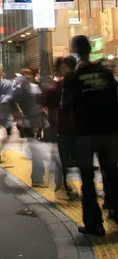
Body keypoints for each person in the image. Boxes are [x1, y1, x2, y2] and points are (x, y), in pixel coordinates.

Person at [61, 35, 118, 236]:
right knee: (112, 173)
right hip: (109, 131)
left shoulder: (73, 77)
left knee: (87, 178)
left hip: (85, 132)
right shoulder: (106, 73)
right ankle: (115, 210)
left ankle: (94, 224)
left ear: (75, 50)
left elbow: (65, 106)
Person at [43, 56, 77, 195]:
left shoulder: (55, 87)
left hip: (64, 128)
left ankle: (63, 183)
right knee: (79, 160)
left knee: (63, 158)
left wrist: (53, 126)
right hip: (79, 128)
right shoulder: (80, 82)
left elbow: (50, 110)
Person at [13, 69, 45, 187]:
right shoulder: (17, 90)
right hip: (27, 123)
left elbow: (41, 103)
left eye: (29, 74)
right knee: (35, 148)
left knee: (36, 148)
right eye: (24, 75)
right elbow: (14, 105)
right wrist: (18, 118)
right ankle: (37, 178)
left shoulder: (35, 88)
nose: (27, 76)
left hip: (36, 121)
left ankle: (37, 176)